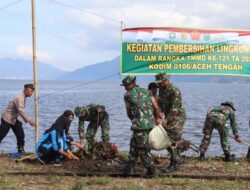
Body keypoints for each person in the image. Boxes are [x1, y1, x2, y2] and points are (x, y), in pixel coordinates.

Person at [121, 75, 161, 178]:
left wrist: (135, 121)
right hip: (150, 124)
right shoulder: (147, 91)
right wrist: (156, 120)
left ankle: (152, 170)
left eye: (126, 85)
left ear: (131, 84)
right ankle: (129, 168)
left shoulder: (127, 95)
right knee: (133, 144)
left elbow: (129, 112)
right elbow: (156, 108)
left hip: (139, 126)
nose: (125, 88)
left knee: (142, 149)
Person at [155, 72, 186, 173]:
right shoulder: (161, 89)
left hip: (177, 117)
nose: (159, 84)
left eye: (160, 82)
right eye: (158, 82)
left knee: (172, 139)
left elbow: (174, 109)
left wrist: (166, 120)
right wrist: (158, 115)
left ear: (166, 80)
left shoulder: (174, 90)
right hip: (168, 116)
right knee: (166, 139)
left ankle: (174, 164)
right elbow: (159, 104)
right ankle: (178, 158)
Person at [0, 84, 36, 154]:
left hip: (15, 119)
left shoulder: (24, 97)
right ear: (27, 89)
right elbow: (20, 110)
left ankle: (21, 150)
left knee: (21, 135)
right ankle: (20, 150)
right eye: (31, 91)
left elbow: (18, 111)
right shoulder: (19, 97)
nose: (32, 93)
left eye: (32, 92)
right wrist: (30, 120)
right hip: (7, 119)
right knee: (1, 135)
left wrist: (21, 121)